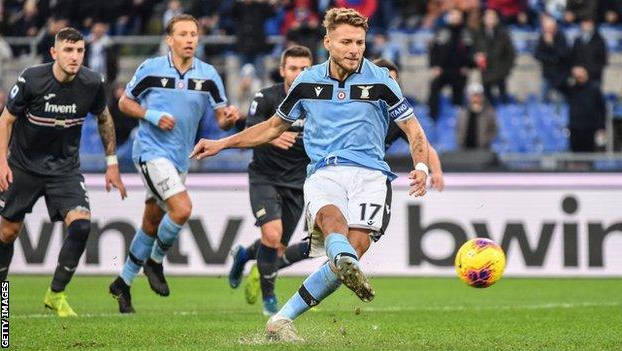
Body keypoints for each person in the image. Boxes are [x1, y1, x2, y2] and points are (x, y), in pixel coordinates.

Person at [191, 8, 430, 341]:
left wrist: (421, 167)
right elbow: (273, 127)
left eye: (360, 42)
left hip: (372, 175)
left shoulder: (381, 81)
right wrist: (223, 143)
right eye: (346, 42)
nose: (354, 49)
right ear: (328, 42)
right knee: (333, 224)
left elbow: (413, 129)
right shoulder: (307, 82)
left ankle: (281, 319)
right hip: (325, 170)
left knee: (353, 251)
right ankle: (340, 260)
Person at [108, 14, 240, 314]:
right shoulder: (151, 68)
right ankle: (155, 261)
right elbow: (124, 103)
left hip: (180, 158)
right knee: (182, 209)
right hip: (151, 153)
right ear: (170, 39)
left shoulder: (208, 74)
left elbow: (220, 120)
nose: (190, 39)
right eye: (183, 34)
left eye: (194, 34)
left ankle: (123, 283)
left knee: (152, 221)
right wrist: (152, 116)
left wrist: (229, 117)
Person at [0, 27, 127, 317]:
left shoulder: (92, 82)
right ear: (54, 53)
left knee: (81, 225)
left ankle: (56, 294)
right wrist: (1, 163)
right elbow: (5, 121)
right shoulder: (32, 79)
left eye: (80, 50)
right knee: (8, 232)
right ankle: (0, 291)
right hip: (24, 167)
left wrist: (112, 164)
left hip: (65, 170)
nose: (75, 56)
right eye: (68, 50)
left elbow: (104, 118)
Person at [227, 45, 314, 316]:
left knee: (277, 248)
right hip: (265, 177)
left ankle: (244, 254)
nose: (299, 73)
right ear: (282, 71)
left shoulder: (318, 103)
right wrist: (273, 135)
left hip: (299, 182)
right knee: (272, 234)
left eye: (305, 69)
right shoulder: (265, 97)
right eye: (293, 68)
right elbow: (249, 128)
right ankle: (269, 299)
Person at [373, 58, 445, 191]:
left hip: (371, 174)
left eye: (394, 82)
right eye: (386, 82)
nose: (390, 87)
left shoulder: (398, 119)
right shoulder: (353, 106)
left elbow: (424, 145)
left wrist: (436, 172)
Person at [456, 82, 498, 150]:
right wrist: (460, 140)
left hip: (482, 149)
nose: (476, 98)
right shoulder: (462, 113)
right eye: (473, 95)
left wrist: (485, 140)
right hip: (464, 149)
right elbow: (458, 129)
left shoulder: (489, 112)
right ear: (469, 97)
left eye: (478, 95)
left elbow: (494, 130)